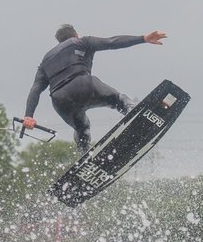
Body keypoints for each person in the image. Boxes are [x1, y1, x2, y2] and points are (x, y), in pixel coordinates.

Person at [23, 24, 167, 154]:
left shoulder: (45, 60)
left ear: (59, 41)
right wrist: (143, 38)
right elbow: (112, 42)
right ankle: (133, 113)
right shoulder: (81, 42)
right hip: (83, 85)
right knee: (118, 99)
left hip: (60, 101)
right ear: (76, 35)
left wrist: (28, 115)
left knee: (82, 129)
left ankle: (84, 157)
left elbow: (36, 88)